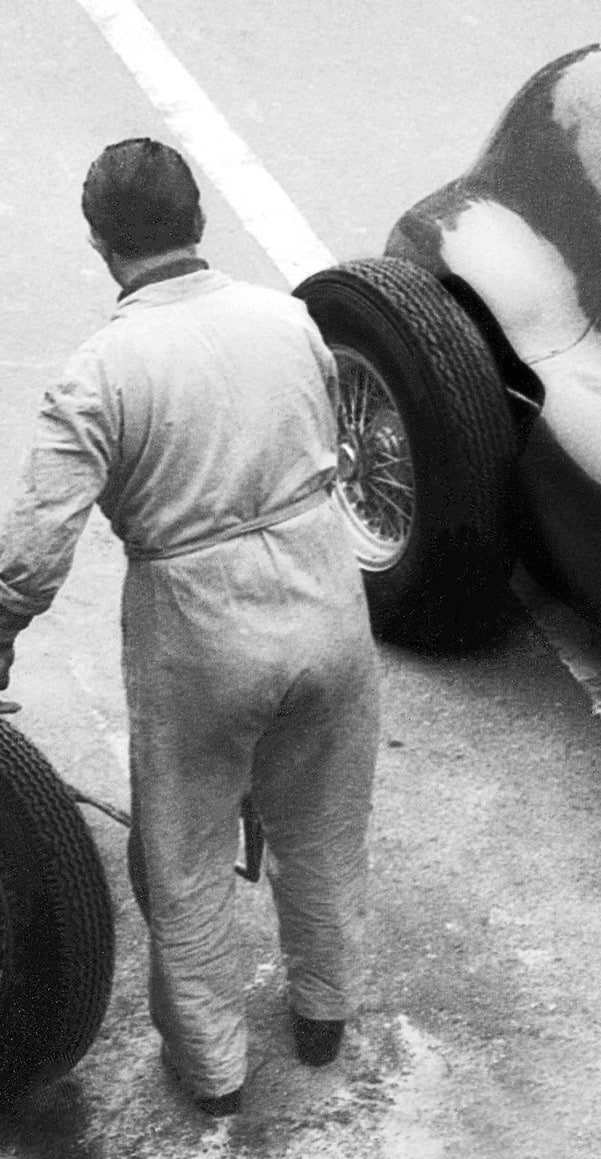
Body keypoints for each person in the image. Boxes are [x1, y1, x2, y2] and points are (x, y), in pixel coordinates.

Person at [0, 139, 379, 1117]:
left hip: (199, 624)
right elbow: (331, 443)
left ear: (98, 243)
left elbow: (36, 545)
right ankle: (323, 1014)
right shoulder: (289, 320)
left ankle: (213, 1073)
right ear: (198, 219)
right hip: (326, 598)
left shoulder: (101, 369)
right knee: (324, 825)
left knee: (188, 860)